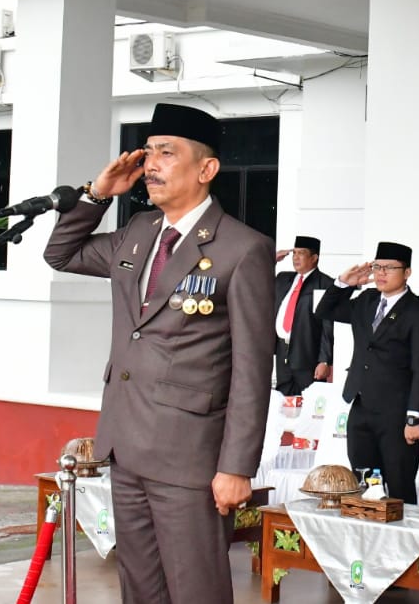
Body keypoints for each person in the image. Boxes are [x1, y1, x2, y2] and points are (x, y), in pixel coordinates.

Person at [44, 102, 274, 604]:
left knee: (196, 591)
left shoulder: (241, 248)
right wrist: (96, 194)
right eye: (148, 153)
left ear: (206, 169)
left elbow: (254, 369)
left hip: (190, 460)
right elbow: (61, 253)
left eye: (167, 154)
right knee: (141, 591)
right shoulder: (138, 233)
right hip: (126, 449)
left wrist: (236, 466)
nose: (150, 165)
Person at [315, 242, 419, 503]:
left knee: (399, 484)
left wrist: (414, 418)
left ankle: (404, 541)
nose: (381, 273)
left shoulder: (417, 311)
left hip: (396, 413)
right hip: (361, 406)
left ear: (407, 273)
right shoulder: (366, 301)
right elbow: (324, 310)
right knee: (361, 482)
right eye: (377, 267)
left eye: (389, 268)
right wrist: (343, 284)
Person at [272, 235, 333, 395]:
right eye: (294, 253)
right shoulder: (283, 279)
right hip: (282, 351)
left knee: (309, 405)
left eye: (301, 253)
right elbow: (254, 282)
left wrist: (325, 360)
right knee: (283, 402)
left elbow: (328, 326)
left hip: (307, 354)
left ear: (314, 258)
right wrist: (270, 260)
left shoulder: (325, 284)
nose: (296, 258)